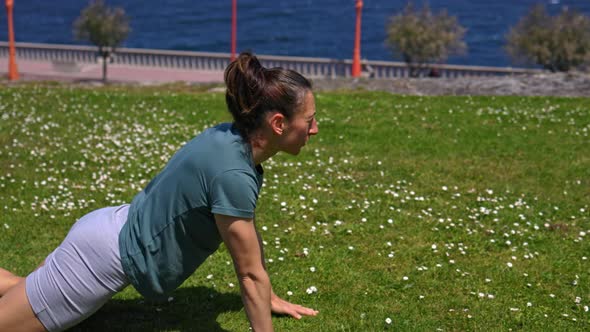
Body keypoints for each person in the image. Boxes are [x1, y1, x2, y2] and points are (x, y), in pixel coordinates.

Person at [0, 51, 319, 332]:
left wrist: (270, 297)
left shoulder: (229, 138)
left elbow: (246, 234)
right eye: (309, 120)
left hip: (106, 229)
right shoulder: (233, 173)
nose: (314, 129)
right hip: (99, 262)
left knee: (24, 292)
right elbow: (248, 274)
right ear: (279, 124)